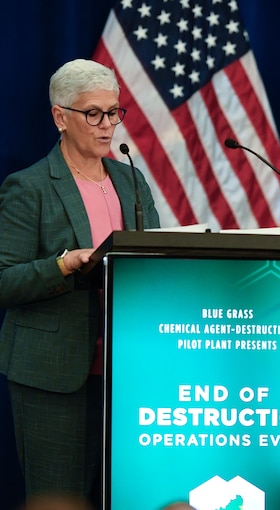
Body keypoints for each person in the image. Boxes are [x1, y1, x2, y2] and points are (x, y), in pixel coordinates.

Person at [0, 58, 160, 507]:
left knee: (123, 496)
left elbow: (151, 260)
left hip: (125, 374)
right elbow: (3, 280)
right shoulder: (28, 186)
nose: (107, 125)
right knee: (61, 500)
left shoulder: (131, 180)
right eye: (94, 113)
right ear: (60, 117)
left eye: (114, 112)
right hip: (53, 376)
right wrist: (64, 265)